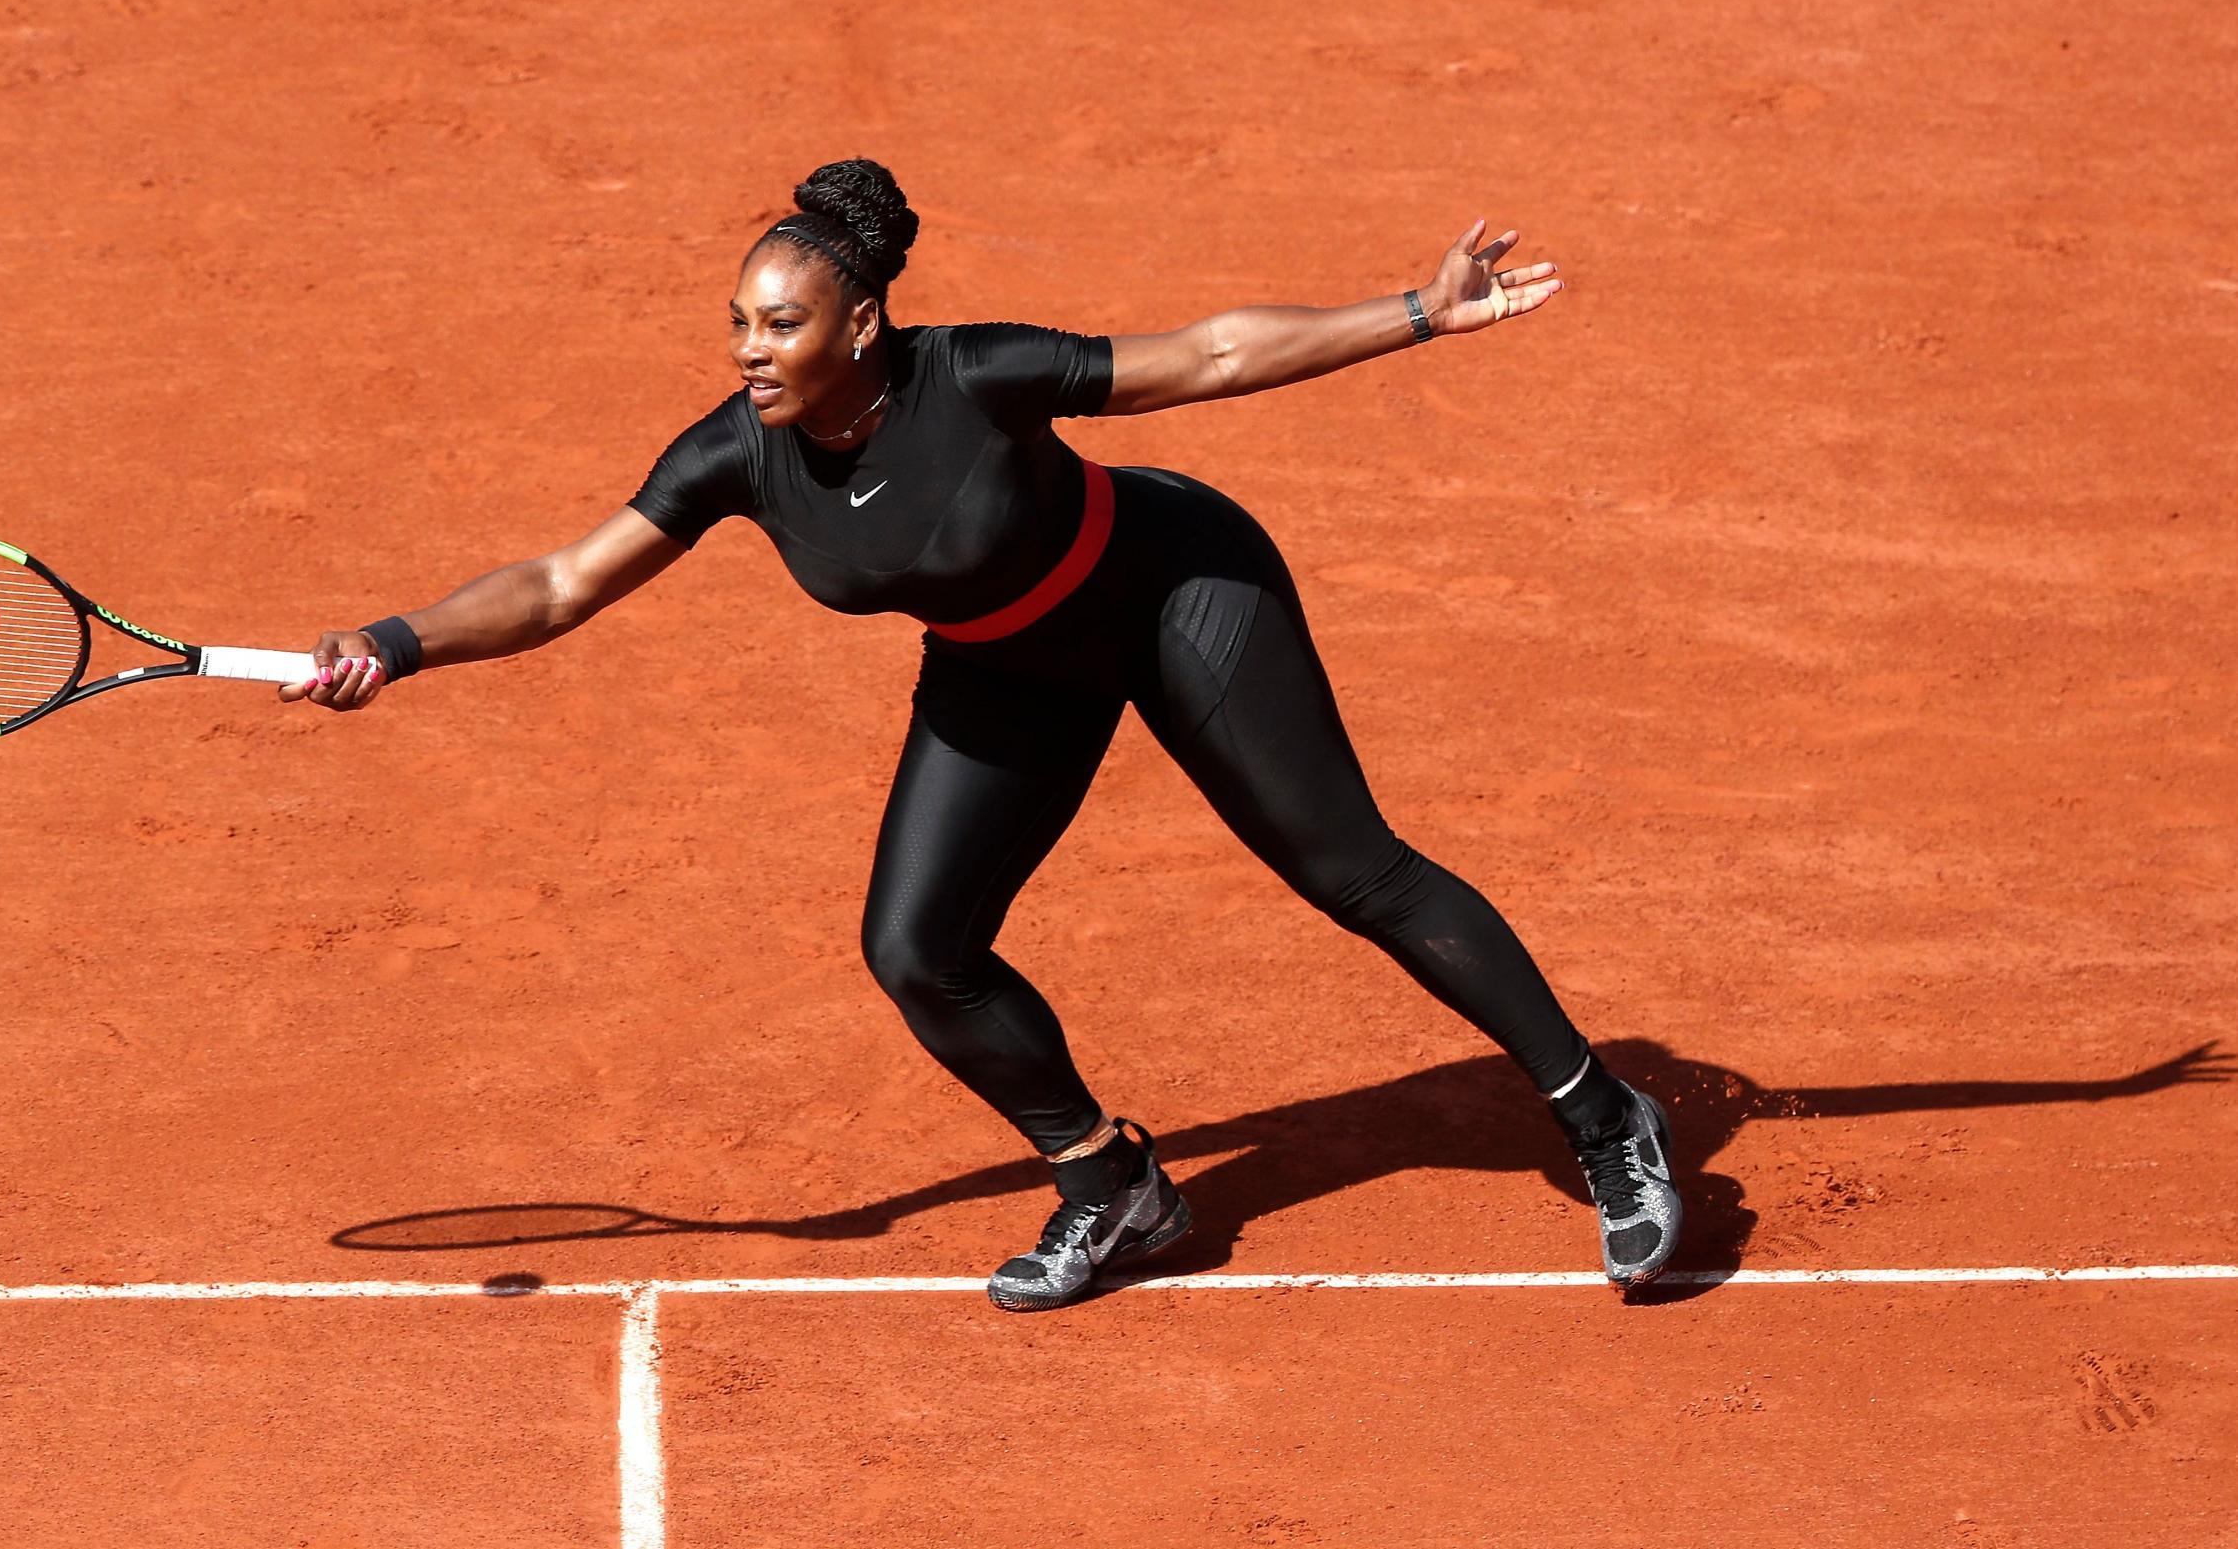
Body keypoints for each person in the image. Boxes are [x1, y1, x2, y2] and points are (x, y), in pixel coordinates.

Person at [289, 158, 1682, 1310]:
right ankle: (1110, 1185)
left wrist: (1415, 315)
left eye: (778, 325)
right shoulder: (734, 451)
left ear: (859, 325)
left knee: (1350, 872)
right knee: (917, 949)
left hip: (1172, 591)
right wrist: (396, 641)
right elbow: (556, 583)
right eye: (736, 322)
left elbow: (1202, 356)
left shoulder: (974, 375)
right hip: (1007, 664)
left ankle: (1603, 1113)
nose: (746, 351)